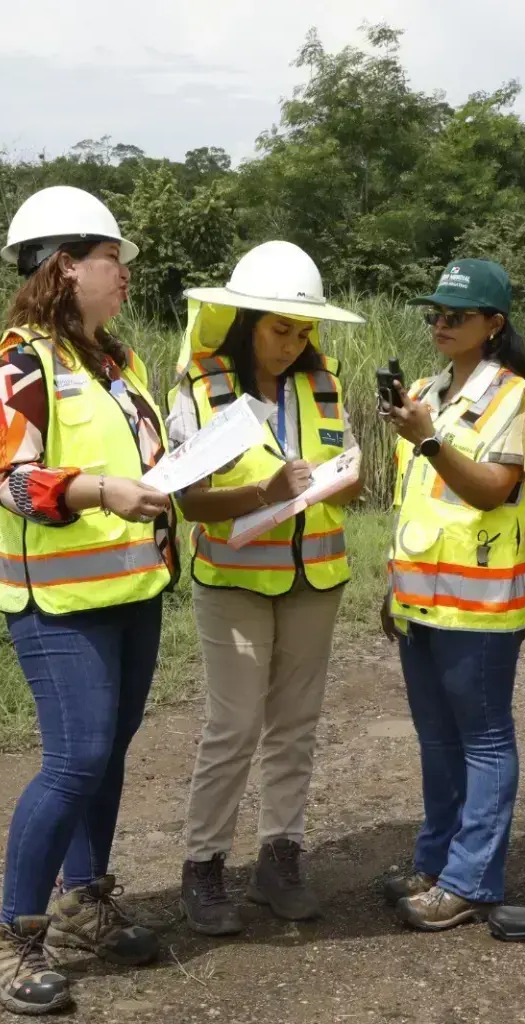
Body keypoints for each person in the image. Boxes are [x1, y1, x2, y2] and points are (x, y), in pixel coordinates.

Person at [0, 186, 178, 1015]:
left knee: (108, 753)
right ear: (65, 267)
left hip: (131, 589)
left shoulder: (117, 361)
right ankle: (12, 940)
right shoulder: (14, 366)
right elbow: (8, 478)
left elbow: (144, 456)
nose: (123, 275)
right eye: (110, 261)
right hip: (56, 603)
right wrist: (101, 491)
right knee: (74, 760)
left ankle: (85, 905)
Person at [167, 241, 365, 936]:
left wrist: (348, 477)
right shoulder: (200, 390)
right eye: (281, 328)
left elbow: (352, 473)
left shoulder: (326, 384)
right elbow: (190, 502)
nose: (293, 343)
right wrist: (264, 490)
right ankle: (204, 866)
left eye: (304, 330)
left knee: (295, 727)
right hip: (236, 581)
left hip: (317, 575)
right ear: (248, 320)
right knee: (234, 727)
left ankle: (280, 858)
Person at [380, 259, 525, 932]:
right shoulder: (426, 389)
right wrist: (392, 587)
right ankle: (437, 861)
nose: (440, 324)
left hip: (483, 602)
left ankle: (473, 880)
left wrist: (430, 438)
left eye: (456, 315)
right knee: (437, 741)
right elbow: (412, 500)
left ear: (493, 325)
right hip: (421, 598)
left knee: (482, 740)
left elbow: (489, 490)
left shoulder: (516, 400)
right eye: (434, 314)